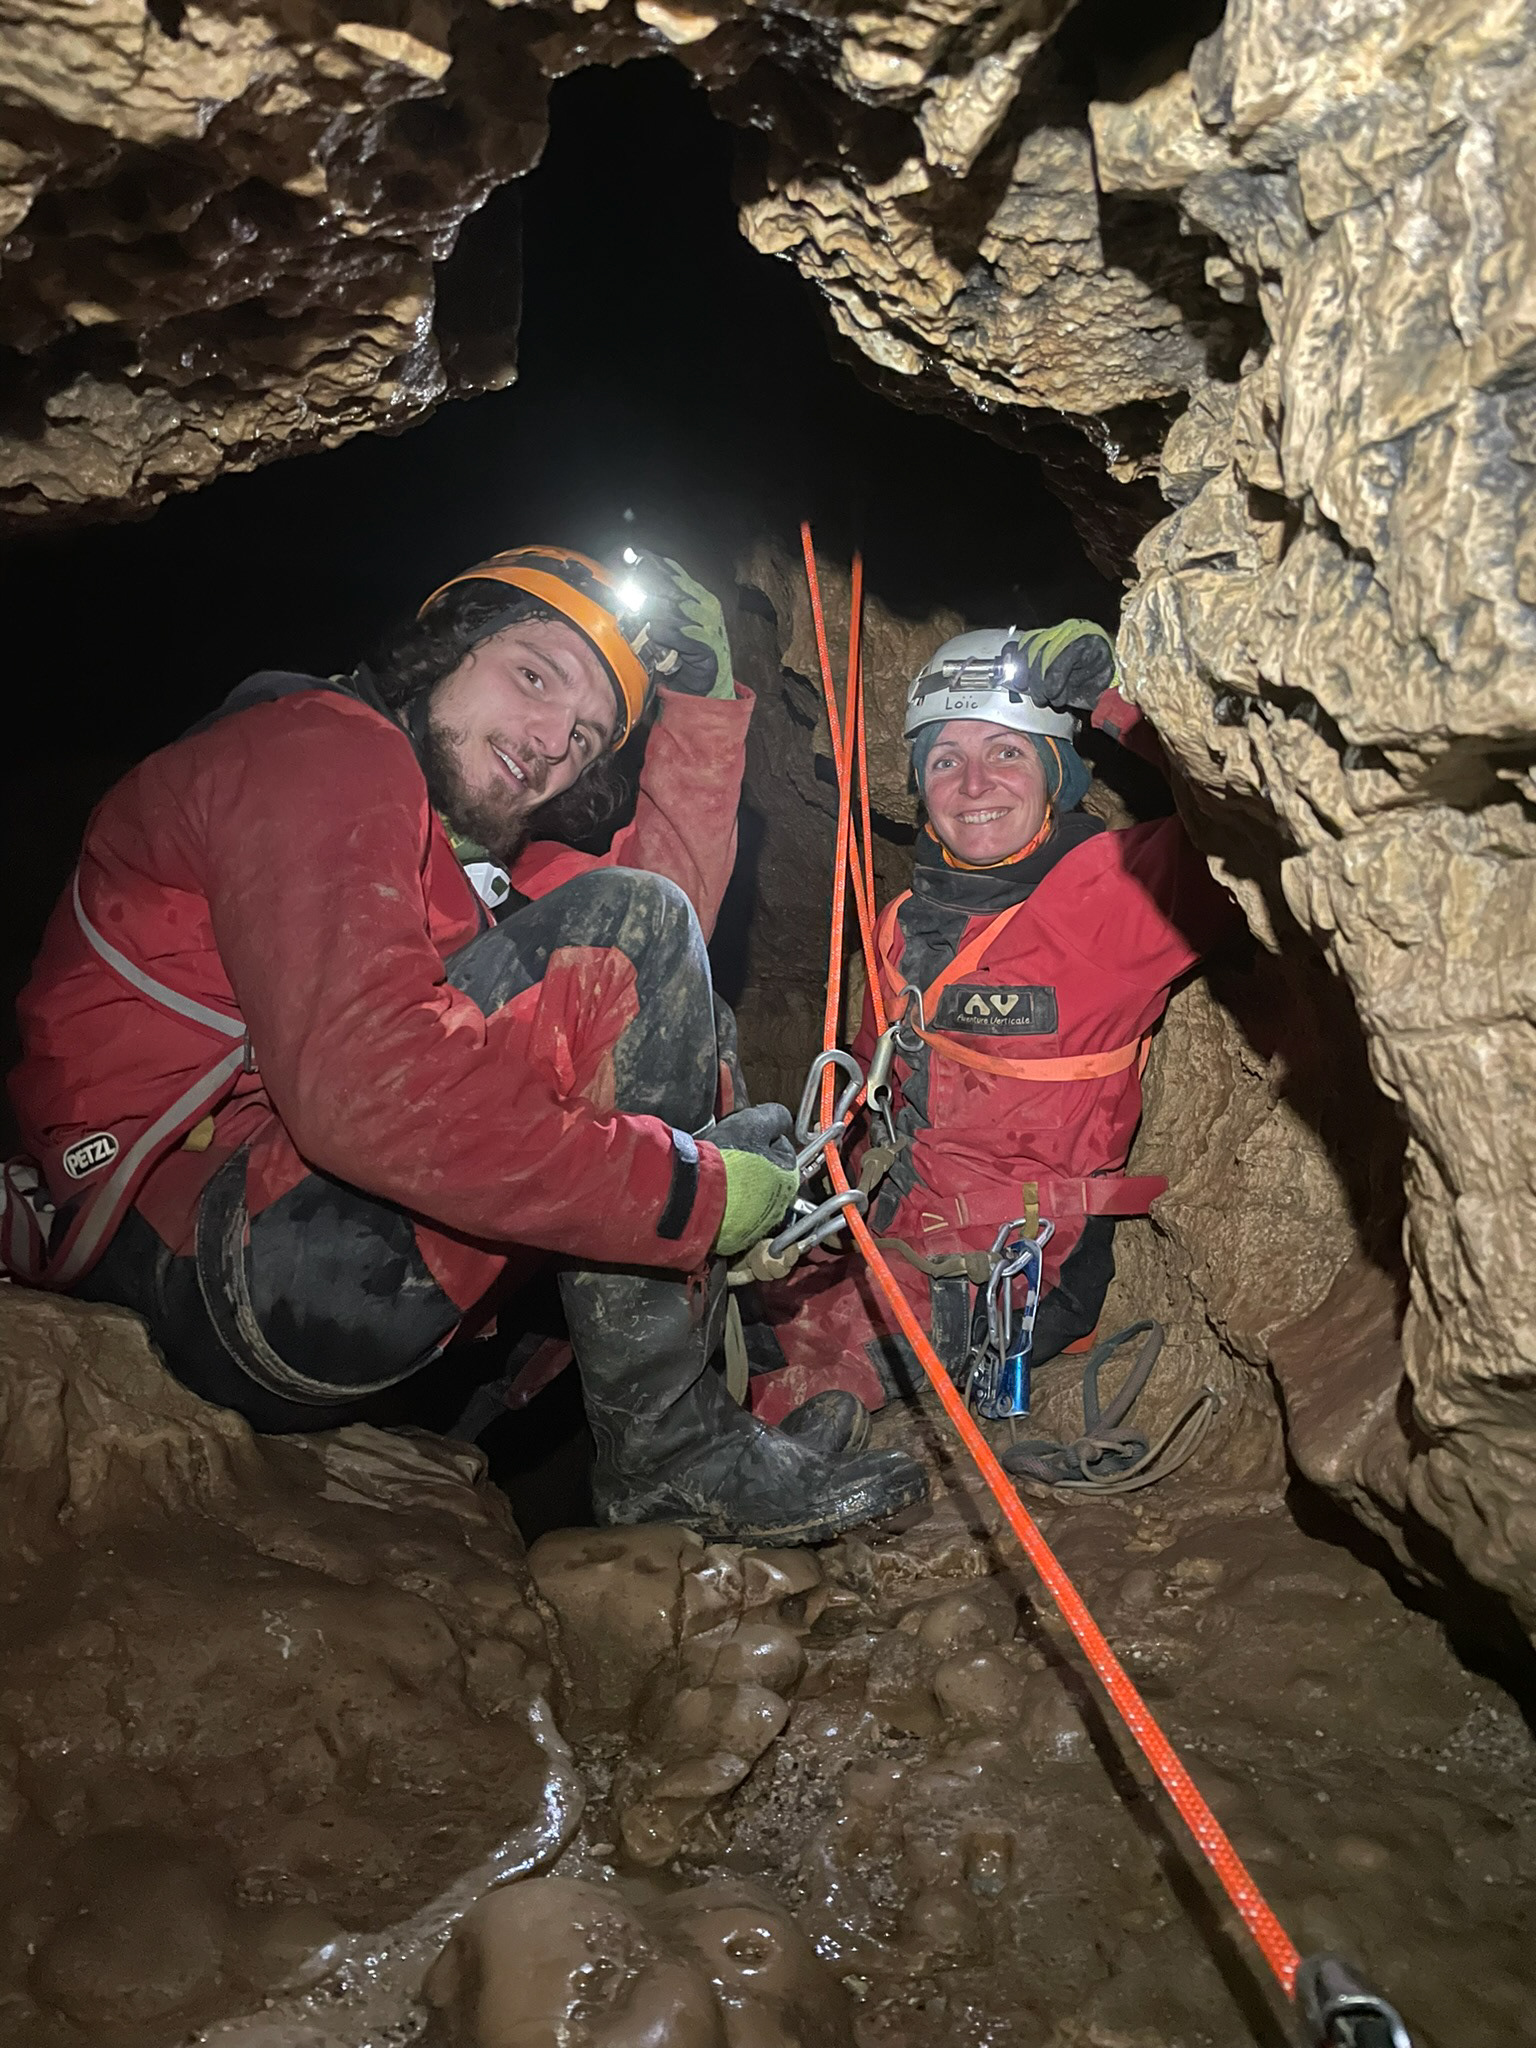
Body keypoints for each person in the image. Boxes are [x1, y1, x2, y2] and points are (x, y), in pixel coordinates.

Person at [4, 545, 928, 1545]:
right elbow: (387, 1090)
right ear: (440, 649)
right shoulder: (321, 752)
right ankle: (674, 1455)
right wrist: (695, 1196)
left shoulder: (444, 859)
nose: (550, 741)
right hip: (212, 1259)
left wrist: (700, 711)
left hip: (277, 1254)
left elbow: (645, 979)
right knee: (669, 1076)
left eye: (584, 737)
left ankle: (705, 1421)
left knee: (727, 1093)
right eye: (533, 675)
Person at [747, 619, 1238, 1425]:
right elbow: (876, 1102)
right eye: (946, 760)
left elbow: (1260, 812)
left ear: (1056, 777)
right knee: (690, 1297)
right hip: (885, 1236)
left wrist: (1115, 707)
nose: (974, 784)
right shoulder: (902, 923)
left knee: (767, 1399)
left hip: (1005, 1277)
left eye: (1007, 752)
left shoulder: (1112, 896)